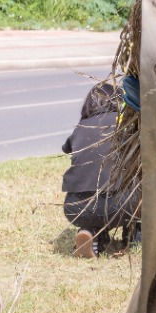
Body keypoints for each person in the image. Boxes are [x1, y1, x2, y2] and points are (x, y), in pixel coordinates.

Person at [60, 80, 139, 258]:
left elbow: (67, 149)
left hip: (76, 207)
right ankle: (135, 237)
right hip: (121, 204)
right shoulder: (125, 124)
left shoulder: (81, 127)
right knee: (141, 192)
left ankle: (90, 231)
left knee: (94, 211)